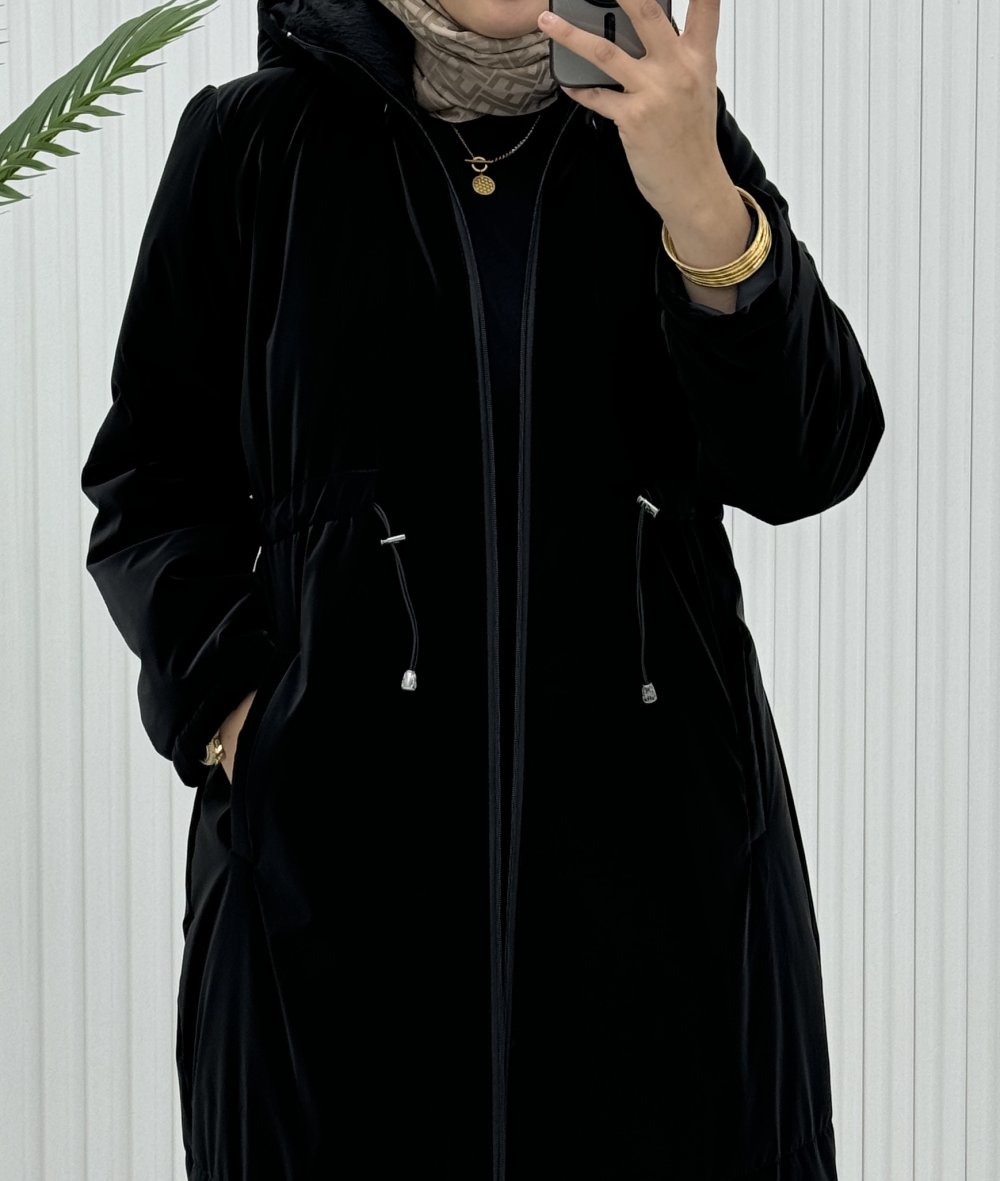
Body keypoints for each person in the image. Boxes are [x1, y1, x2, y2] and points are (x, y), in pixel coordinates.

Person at [79, 0, 885, 1177]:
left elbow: (806, 460)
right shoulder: (254, 143)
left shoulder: (661, 126)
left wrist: (703, 206)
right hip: (338, 905)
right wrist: (235, 713)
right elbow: (151, 482)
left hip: (665, 897)